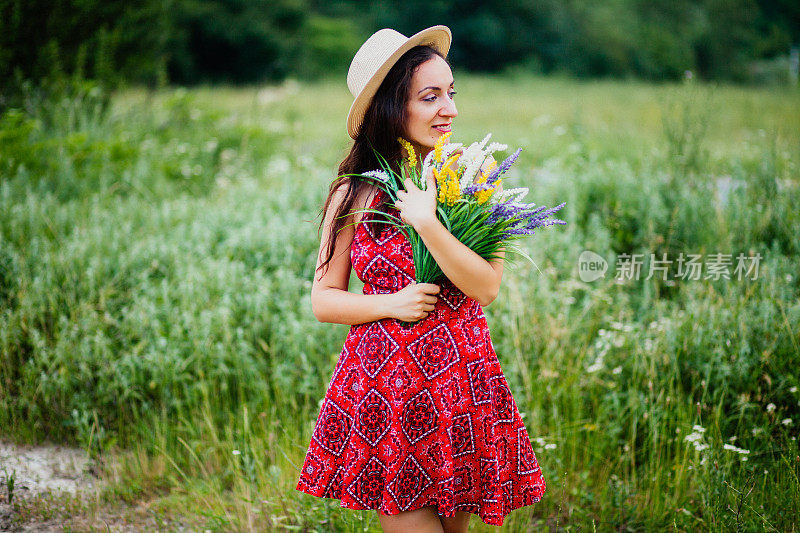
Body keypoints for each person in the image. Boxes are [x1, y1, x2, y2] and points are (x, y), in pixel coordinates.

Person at [296, 25, 546, 532]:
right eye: (430, 96)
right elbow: (324, 300)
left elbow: (486, 287)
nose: (448, 108)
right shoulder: (354, 195)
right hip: (388, 393)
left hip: (458, 388)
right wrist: (392, 304)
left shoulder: (472, 180)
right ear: (392, 107)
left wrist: (428, 222)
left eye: (451, 93)